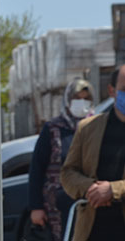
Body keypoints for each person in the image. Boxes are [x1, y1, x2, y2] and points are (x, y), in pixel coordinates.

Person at [61, 64, 125, 241]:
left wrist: (113, 190)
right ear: (112, 91)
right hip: (92, 230)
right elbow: (68, 173)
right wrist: (91, 188)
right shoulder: (88, 128)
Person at [27, 78, 95, 240]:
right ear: (67, 100)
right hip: (57, 206)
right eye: (77, 98)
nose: (81, 103)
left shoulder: (97, 126)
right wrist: (36, 207)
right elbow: (37, 169)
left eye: (86, 99)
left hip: (92, 201)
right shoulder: (53, 128)